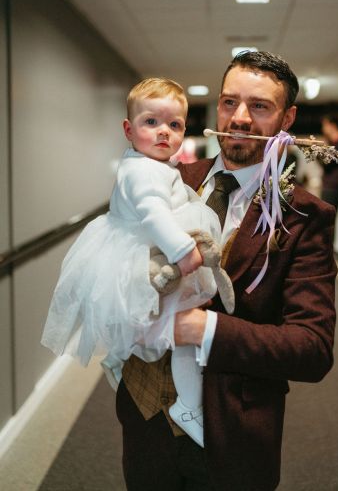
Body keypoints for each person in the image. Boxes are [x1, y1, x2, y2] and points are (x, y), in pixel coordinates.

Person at [116, 51, 337, 491]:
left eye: (259, 106)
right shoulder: (168, 175)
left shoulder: (303, 216)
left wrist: (205, 329)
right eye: (229, 102)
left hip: (233, 433)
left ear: (286, 118)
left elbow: (312, 348)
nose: (238, 118)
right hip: (144, 421)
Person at [42, 77, 230, 446]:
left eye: (174, 125)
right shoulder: (143, 170)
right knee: (181, 337)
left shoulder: (146, 164)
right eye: (151, 123)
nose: (164, 132)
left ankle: (118, 357)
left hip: (144, 253)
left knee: (148, 323)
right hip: (147, 253)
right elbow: (152, 213)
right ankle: (188, 407)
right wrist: (183, 251)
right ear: (129, 130)